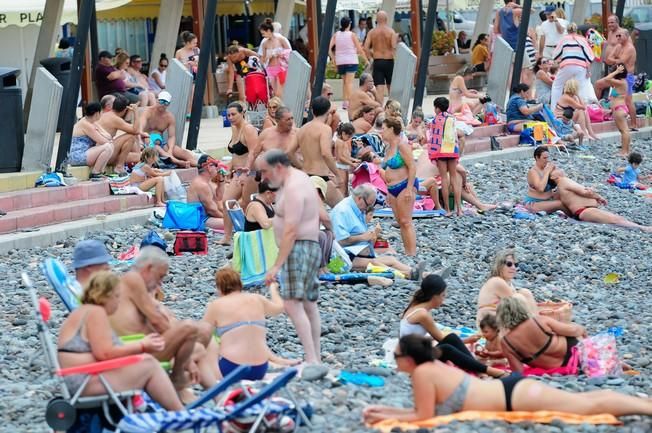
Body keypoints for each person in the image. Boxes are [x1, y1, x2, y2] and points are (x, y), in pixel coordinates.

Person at [362, 333, 652, 423]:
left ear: (409, 360)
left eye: (397, 356)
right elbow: (422, 413)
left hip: (514, 396)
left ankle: (646, 407)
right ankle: (642, 403)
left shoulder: (424, 374)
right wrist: (383, 412)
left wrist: (388, 416)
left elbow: (422, 417)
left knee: (587, 406)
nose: (395, 361)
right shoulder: (430, 369)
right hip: (511, 392)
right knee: (584, 400)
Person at [57, 271, 184, 410]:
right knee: (149, 364)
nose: (118, 301)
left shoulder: (84, 311)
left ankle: (162, 412)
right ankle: (180, 414)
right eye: (117, 296)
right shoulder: (96, 313)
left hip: (78, 380)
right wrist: (142, 345)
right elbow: (104, 353)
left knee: (145, 361)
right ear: (105, 295)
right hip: (84, 383)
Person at [111, 247, 212, 390]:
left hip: (140, 344)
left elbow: (157, 320)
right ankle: (178, 378)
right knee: (191, 331)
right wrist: (182, 344)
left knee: (203, 333)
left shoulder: (130, 285)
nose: (160, 283)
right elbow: (157, 322)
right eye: (160, 276)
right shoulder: (133, 278)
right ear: (148, 268)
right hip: (137, 348)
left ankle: (218, 394)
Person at [259, 150, 323, 364]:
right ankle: (315, 357)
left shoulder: (294, 187)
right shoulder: (299, 179)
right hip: (307, 246)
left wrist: (276, 266)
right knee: (307, 303)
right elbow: (322, 214)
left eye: (265, 172)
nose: (263, 178)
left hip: (298, 248)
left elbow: (291, 230)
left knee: (292, 303)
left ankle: (312, 358)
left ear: (278, 167)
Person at [400, 275, 507, 377]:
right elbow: (441, 339)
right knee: (447, 348)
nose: (444, 300)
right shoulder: (423, 314)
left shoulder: (416, 306)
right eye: (443, 296)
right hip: (413, 360)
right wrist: (467, 340)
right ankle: (487, 370)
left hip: (411, 354)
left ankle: (479, 370)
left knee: (451, 339)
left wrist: (465, 340)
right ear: (434, 296)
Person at [203, 268, 297, 380]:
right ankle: (276, 361)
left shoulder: (216, 305)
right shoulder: (257, 299)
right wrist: (273, 289)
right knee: (252, 335)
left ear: (219, 287)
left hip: (231, 369)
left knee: (209, 341)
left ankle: (216, 380)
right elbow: (280, 307)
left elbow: (201, 334)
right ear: (239, 283)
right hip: (259, 370)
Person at [330, 184, 424, 279]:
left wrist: (371, 236)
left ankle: (424, 275)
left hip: (356, 253)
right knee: (375, 263)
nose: (368, 209)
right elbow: (339, 241)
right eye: (368, 205)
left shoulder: (357, 208)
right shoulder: (342, 211)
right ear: (359, 199)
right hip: (340, 258)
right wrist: (362, 237)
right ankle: (408, 275)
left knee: (391, 260)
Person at [497, 297, 586, 372]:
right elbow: (573, 331)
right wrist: (582, 329)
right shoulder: (538, 321)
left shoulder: (506, 343)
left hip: (555, 367)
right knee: (575, 328)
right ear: (522, 309)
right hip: (576, 354)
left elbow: (518, 371)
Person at [550, 168, 652, 231]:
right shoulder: (564, 181)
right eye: (555, 168)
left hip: (584, 210)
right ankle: (642, 228)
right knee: (615, 219)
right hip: (584, 210)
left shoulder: (561, 186)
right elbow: (585, 192)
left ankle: (638, 227)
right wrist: (599, 197)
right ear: (554, 176)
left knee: (615, 219)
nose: (557, 167)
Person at [288, 96, 343, 207]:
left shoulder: (303, 128)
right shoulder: (325, 129)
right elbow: (326, 153)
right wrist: (338, 174)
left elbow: (289, 152)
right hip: (320, 177)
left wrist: (301, 166)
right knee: (342, 208)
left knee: (312, 214)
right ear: (328, 112)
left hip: (306, 175)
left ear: (312, 111)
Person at [219, 101, 260, 244]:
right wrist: (229, 167)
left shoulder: (248, 129)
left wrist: (246, 170)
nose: (230, 117)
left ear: (242, 112)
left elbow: (253, 152)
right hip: (238, 173)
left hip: (251, 173)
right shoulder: (234, 128)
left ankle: (251, 234)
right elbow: (236, 154)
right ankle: (227, 236)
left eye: (233, 114)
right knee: (226, 201)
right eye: (228, 115)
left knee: (247, 204)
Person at [415, 148, 496, 212]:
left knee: (453, 179)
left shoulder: (424, 153)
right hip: (427, 187)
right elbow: (462, 170)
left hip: (417, 185)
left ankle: (478, 204)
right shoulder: (442, 153)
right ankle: (477, 205)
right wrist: (464, 182)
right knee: (457, 176)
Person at [382, 116, 418, 255]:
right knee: (400, 221)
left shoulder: (402, 145)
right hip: (392, 189)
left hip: (404, 185)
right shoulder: (388, 147)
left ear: (391, 129)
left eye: (384, 129)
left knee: (406, 220)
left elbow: (412, 167)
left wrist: (409, 189)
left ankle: (412, 252)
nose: (381, 132)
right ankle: (407, 251)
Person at [477, 249, 538, 326]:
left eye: (515, 265)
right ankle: (535, 325)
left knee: (525, 292)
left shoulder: (508, 283)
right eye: (509, 264)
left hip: (499, 320)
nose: (513, 267)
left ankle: (536, 324)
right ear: (499, 266)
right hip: (489, 326)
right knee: (519, 297)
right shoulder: (496, 282)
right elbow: (517, 307)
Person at [138, 91, 197, 168]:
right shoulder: (148, 112)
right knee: (157, 147)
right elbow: (139, 129)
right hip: (147, 141)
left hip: (160, 143)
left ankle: (200, 164)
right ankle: (178, 162)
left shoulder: (169, 117)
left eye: (166, 103)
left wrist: (171, 150)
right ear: (157, 100)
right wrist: (140, 142)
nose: (163, 104)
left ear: (169, 104)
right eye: (161, 101)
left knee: (181, 152)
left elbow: (171, 136)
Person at [428, 97, 462, 217]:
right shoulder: (452, 119)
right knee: (454, 177)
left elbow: (432, 138)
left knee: (444, 179)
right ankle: (459, 209)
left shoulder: (434, 121)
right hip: (452, 150)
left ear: (437, 108)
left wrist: (431, 154)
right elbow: (456, 136)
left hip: (440, 152)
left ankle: (447, 209)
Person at [97, 94, 147, 174]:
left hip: (100, 151)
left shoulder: (106, 115)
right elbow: (136, 130)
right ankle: (119, 166)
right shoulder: (115, 119)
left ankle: (123, 165)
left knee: (138, 156)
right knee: (131, 137)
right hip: (104, 153)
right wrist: (135, 112)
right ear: (125, 110)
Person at [550, 23, 595, 110]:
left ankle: (554, 109)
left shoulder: (564, 39)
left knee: (557, 85)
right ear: (576, 30)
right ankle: (582, 111)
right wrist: (588, 69)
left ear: (567, 30)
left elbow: (555, 55)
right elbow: (590, 56)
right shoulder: (582, 39)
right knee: (580, 88)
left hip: (567, 65)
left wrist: (561, 59)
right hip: (581, 67)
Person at [329, 16, 369, 110]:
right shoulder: (352, 35)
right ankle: (351, 102)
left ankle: (345, 102)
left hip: (340, 62)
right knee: (349, 83)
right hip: (351, 60)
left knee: (345, 82)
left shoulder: (336, 34)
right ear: (349, 24)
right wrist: (366, 60)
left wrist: (333, 58)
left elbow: (329, 49)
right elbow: (359, 49)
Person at [69, 102, 114, 179]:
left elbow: (108, 136)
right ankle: (95, 172)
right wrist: (102, 134)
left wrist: (99, 131)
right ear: (97, 113)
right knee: (107, 146)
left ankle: (101, 171)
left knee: (110, 146)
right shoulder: (86, 124)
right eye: (101, 112)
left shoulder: (92, 122)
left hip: (86, 152)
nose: (102, 114)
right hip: (77, 156)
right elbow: (103, 141)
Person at [604, 30, 638, 129]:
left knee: (628, 100)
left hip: (627, 77)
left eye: (620, 35)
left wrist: (616, 59)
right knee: (612, 94)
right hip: (618, 76)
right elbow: (608, 59)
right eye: (617, 36)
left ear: (627, 36)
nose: (618, 37)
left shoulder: (630, 48)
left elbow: (622, 61)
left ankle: (634, 124)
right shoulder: (619, 46)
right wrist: (617, 60)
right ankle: (618, 119)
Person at [595, 64, 630, 156]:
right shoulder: (618, 83)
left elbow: (607, 79)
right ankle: (625, 150)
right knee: (623, 131)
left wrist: (617, 71)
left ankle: (625, 152)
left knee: (624, 131)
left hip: (620, 109)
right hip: (619, 109)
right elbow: (605, 80)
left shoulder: (621, 83)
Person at [364, 10, 398, 101]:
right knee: (391, 87)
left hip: (378, 61)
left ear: (377, 19)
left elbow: (366, 47)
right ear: (386, 19)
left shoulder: (372, 32)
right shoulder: (391, 32)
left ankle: (380, 109)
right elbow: (394, 47)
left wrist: (370, 58)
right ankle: (392, 107)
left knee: (379, 88)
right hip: (389, 61)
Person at [186, 154, 226, 230]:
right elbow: (212, 210)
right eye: (216, 166)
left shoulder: (207, 182)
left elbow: (219, 197)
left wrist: (221, 180)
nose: (218, 169)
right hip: (200, 219)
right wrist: (228, 219)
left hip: (206, 216)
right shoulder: (202, 185)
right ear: (209, 167)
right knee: (230, 224)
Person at [524, 146, 567, 213]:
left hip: (549, 198)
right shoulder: (533, 172)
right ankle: (574, 217)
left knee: (568, 198)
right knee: (560, 204)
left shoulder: (548, 168)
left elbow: (563, 182)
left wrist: (558, 173)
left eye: (548, 157)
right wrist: (547, 172)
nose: (547, 160)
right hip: (534, 203)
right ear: (537, 158)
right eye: (544, 158)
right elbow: (540, 188)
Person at [259, 18, 291, 97]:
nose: (263, 35)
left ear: (269, 31)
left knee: (279, 93)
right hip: (270, 68)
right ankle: (278, 107)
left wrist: (280, 54)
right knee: (274, 92)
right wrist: (267, 57)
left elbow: (290, 51)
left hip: (281, 67)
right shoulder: (265, 43)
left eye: (263, 33)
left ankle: (281, 107)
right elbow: (262, 59)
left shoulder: (281, 39)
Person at [334, 122, 359, 196]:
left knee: (346, 187)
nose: (349, 139)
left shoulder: (343, 142)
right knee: (342, 189)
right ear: (343, 133)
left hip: (345, 167)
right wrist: (352, 163)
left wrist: (353, 159)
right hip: (340, 167)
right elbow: (340, 157)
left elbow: (345, 156)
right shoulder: (340, 142)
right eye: (349, 136)